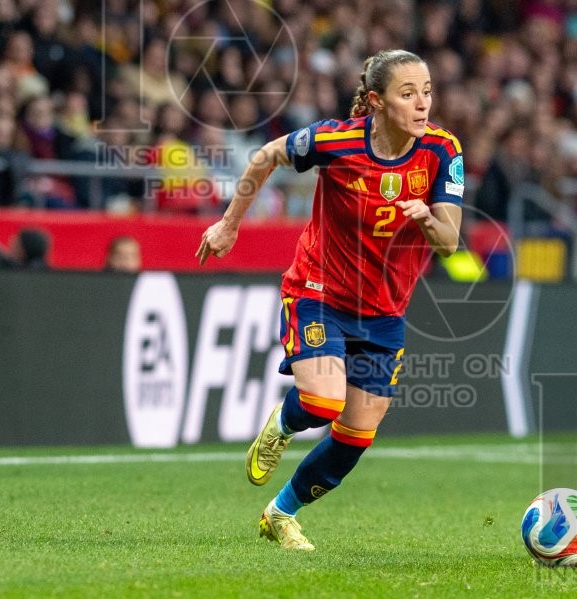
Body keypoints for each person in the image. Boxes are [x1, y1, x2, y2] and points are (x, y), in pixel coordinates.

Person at [196, 49, 463, 551]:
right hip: (319, 290)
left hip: (385, 311)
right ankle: (283, 423)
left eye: (427, 91)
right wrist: (229, 224)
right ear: (378, 102)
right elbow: (266, 155)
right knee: (322, 401)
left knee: (356, 435)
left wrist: (427, 217)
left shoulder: (443, 151)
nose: (422, 103)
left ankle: (280, 515)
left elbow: (449, 242)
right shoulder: (335, 140)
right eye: (408, 94)